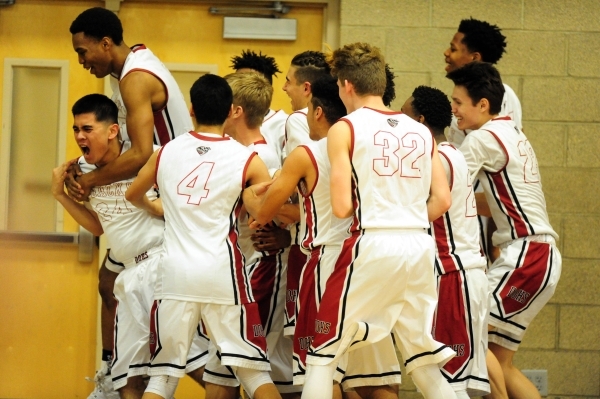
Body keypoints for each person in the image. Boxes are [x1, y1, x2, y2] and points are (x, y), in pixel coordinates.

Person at [298, 42, 455, 399]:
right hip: (419, 244)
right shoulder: (420, 131)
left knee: (322, 354)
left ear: (347, 86)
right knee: (423, 360)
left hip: (372, 242)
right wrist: (406, 215)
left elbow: (340, 208)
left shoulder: (344, 128)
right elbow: (442, 199)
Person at [244, 74, 402, 399]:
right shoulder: (367, 147)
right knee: (375, 378)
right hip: (372, 257)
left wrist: (249, 194)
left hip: (328, 263)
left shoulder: (307, 153)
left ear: (317, 112)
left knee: (320, 368)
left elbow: (262, 212)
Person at [125, 74, 280, 399]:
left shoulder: (165, 152)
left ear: (192, 108)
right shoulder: (246, 157)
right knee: (253, 373)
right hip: (222, 273)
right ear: (230, 111)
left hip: (175, 276)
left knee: (161, 380)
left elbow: (132, 194)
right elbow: (262, 211)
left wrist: (156, 207)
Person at [68, 8, 195, 395]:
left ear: (106, 44)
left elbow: (140, 154)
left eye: (83, 51)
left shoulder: (135, 79)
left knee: (182, 347)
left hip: (174, 196)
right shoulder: (131, 68)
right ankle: (112, 372)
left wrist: (90, 180)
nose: (82, 60)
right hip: (161, 188)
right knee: (109, 280)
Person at [51, 94, 207, 399]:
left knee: (197, 364)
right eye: (75, 129)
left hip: (164, 266)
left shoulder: (154, 158)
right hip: (131, 275)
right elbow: (99, 226)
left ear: (112, 131)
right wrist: (61, 195)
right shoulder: (82, 173)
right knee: (127, 381)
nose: (79, 136)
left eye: (87, 128)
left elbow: (194, 194)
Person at [446, 62, 562, 399]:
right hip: (541, 255)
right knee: (500, 361)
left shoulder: (483, 138)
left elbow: (450, 189)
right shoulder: (512, 132)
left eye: (458, 102)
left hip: (527, 255)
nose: (453, 110)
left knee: (472, 333)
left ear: (482, 105)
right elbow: (491, 200)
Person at [402, 86, 491, 399]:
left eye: (404, 118)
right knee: (446, 381)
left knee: (449, 385)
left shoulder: (437, 160)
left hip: (455, 277)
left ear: (420, 121)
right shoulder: (453, 152)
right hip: (464, 276)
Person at [231, 49, 287, 163]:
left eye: (248, 81)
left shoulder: (283, 124)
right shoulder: (226, 119)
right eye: (237, 79)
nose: (240, 85)